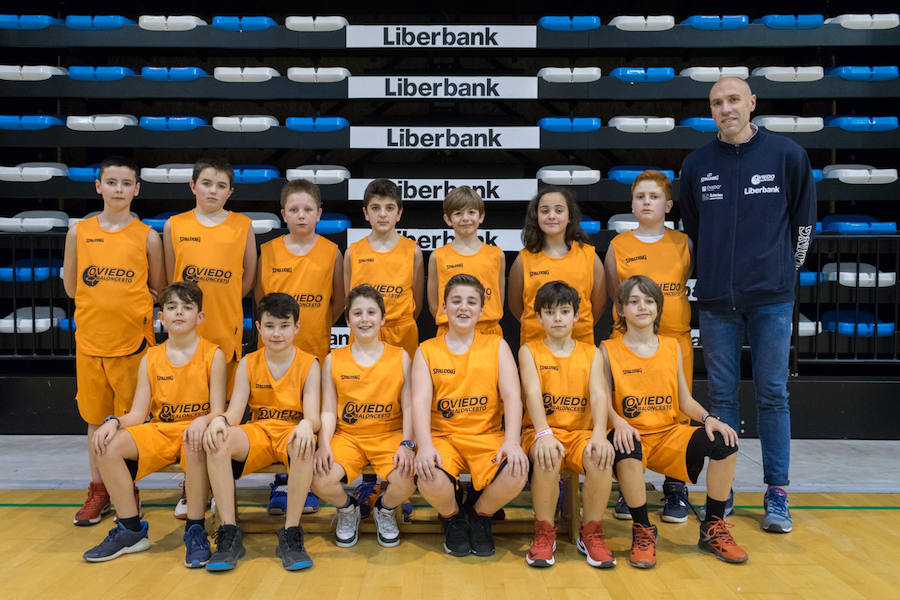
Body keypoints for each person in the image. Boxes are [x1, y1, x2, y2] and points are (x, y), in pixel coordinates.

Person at [679, 77, 817, 533]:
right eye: (717, 102)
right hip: (718, 300)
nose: (726, 108)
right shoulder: (697, 164)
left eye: (733, 99)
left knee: (773, 395)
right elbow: (695, 229)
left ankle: (777, 492)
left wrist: (783, 273)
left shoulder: (787, 156)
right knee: (721, 400)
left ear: (752, 103)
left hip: (772, 299)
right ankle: (725, 488)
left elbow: (803, 224)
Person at [601, 275, 747, 567]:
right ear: (620, 309)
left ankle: (712, 527)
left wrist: (709, 418)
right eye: (634, 301)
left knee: (725, 442)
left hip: (669, 434)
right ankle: (642, 530)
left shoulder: (672, 347)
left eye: (649, 301)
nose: (642, 307)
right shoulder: (607, 349)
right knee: (626, 447)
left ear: (658, 308)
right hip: (630, 434)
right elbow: (601, 401)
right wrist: (617, 422)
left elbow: (684, 401)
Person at [82, 282, 226, 565]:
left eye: (187, 307)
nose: (179, 313)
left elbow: (219, 411)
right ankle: (130, 529)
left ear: (200, 317)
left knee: (195, 441)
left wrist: (202, 421)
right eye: (171, 307)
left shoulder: (213, 354)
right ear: (161, 317)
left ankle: (195, 528)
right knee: (105, 443)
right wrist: (113, 422)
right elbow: (137, 414)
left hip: (195, 432)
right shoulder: (151, 356)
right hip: (161, 430)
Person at [63, 156, 166, 527]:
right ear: (98, 186)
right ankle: (99, 490)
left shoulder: (148, 237)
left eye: (126, 183)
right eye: (112, 182)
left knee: (129, 422)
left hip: (132, 343)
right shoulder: (79, 232)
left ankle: (128, 489)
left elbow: (157, 288)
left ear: (137, 189)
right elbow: (71, 285)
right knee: (94, 421)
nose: (119, 190)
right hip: (90, 340)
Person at [164, 157, 256, 518]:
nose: (213, 190)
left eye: (221, 185)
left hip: (225, 335)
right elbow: (170, 280)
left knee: (221, 418)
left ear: (230, 191)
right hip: (187, 340)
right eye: (206, 183)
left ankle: (221, 488)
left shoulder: (242, 225)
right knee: (192, 415)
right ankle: (191, 485)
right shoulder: (175, 225)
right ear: (192, 186)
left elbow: (246, 280)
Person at [413, 274, 529, 557]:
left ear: (481, 310)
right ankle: (453, 518)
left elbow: (513, 397)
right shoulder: (427, 350)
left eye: (471, 302)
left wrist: (512, 441)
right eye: (456, 301)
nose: (463, 308)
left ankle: (479, 515)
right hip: (444, 437)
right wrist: (425, 446)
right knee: (427, 474)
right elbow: (419, 400)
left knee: (517, 470)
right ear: (443, 307)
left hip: (485, 436)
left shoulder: (497, 346)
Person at [203, 293, 320, 572]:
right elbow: (234, 413)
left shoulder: (310, 363)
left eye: (283, 325)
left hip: (292, 432)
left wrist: (306, 424)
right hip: (259, 432)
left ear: (296, 327)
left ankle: (291, 532)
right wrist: (219, 420)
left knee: (305, 443)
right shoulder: (248, 362)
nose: (276, 333)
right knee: (218, 441)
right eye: (269, 326)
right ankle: (229, 531)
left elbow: (313, 417)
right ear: (258, 328)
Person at [604, 169, 694, 523]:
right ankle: (630, 487)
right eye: (640, 196)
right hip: (629, 344)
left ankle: (676, 488)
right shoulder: (618, 246)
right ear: (631, 204)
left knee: (678, 416)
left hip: (674, 340)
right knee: (630, 412)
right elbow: (615, 294)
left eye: (653, 197)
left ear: (668, 205)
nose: (646, 202)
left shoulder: (684, 243)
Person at [257, 178, 344, 516]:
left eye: (308, 209)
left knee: (310, 419)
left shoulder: (331, 252)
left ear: (319, 213)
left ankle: (306, 481)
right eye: (294, 209)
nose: (301, 215)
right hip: (278, 351)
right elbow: (263, 300)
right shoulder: (269, 251)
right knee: (281, 415)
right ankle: (282, 478)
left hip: (315, 348)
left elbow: (337, 301)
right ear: (283, 214)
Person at [519, 281, 615, 568]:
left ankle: (592, 533)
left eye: (564, 311)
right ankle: (544, 533)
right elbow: (532, 394)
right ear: (539, 317)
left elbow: (599, 395)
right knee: (548, 456)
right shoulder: (529, 350)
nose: (557, 318)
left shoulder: (591, 353)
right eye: (550, 312)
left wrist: (600, 435)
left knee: (600, 456)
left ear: (576, 316)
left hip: (581, 433)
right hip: (540, 430)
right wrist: (544, 433)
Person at [312, 284, 416, 548]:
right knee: (319, 479)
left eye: (371, 312)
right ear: (347, 320)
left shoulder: (401, 357)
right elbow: (327, 410)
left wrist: (407, 444)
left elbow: (410, 407)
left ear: (383, 318)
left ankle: (384, 509)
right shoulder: (334, 360)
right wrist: (323, 445)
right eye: (357, 313)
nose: (365, 319)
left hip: (388, 435)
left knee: (408, 479)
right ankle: (349, 510)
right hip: (348, 438)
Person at [508, 186, 605, 345]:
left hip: (580, 345)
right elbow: (516, 306)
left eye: (559, 211)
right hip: (535, 349)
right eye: (544, 211)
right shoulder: (523, 259)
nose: (551, 216)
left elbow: (599, 305)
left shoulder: (589, 256)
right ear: (536, 217)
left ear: (569, 217)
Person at [344, 178, 424, 357]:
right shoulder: (353, 253)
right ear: (365, 213)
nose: (382, 214)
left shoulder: (413, 252)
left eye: (389, 208)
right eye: (375, 208)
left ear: (399, 213)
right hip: (364, 333)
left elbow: (416, 304)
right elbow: (347, 300)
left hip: (402, 334)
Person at [427, 185, 505, 336]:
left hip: (488, 332)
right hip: (450, 331)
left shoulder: (496, 255)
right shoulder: (438, 256)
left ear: (481, 216)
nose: (465, 218)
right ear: (448, 219)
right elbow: (434, 305)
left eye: (471, 212)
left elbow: (498, 300)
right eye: (458, 213)